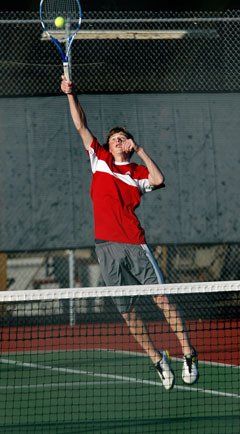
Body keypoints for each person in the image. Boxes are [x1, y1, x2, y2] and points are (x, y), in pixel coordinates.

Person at [60, 76, 199, 391]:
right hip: (105, 248)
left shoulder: (137, 173)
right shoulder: (100, 160)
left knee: (162, 298)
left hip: (135, 246)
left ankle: (188, 353)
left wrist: (141, 150)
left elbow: (159, 178)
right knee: (127, 312)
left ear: (130, 144)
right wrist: (71, 94)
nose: (117, 141)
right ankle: (157, 360)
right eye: (114, 139)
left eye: (123, 138)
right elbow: (81, 126)